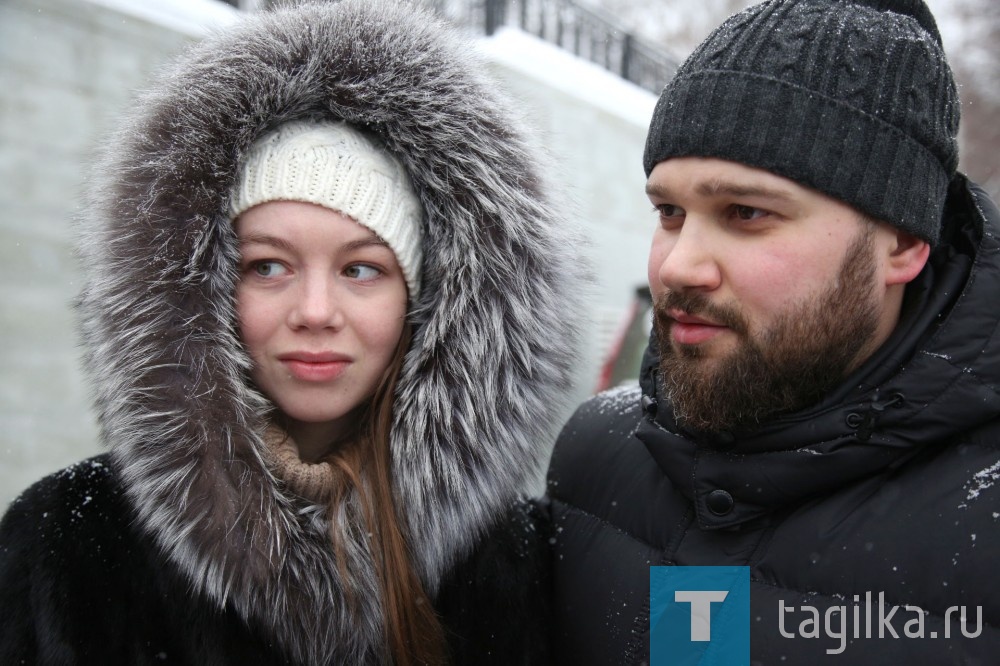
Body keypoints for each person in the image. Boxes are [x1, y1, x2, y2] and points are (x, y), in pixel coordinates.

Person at [0, 1, 586, 664]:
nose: (314, 310)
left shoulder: (518, 564)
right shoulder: (68, 546)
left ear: (427, 303)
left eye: (361, 269)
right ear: (206, 288)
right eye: (269, 265)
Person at [546, 0, 1000, 662]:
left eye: (746, 212)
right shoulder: (597, 454)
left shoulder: (981, 528)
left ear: (902, 243)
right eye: (669, 211)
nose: (678, 266)